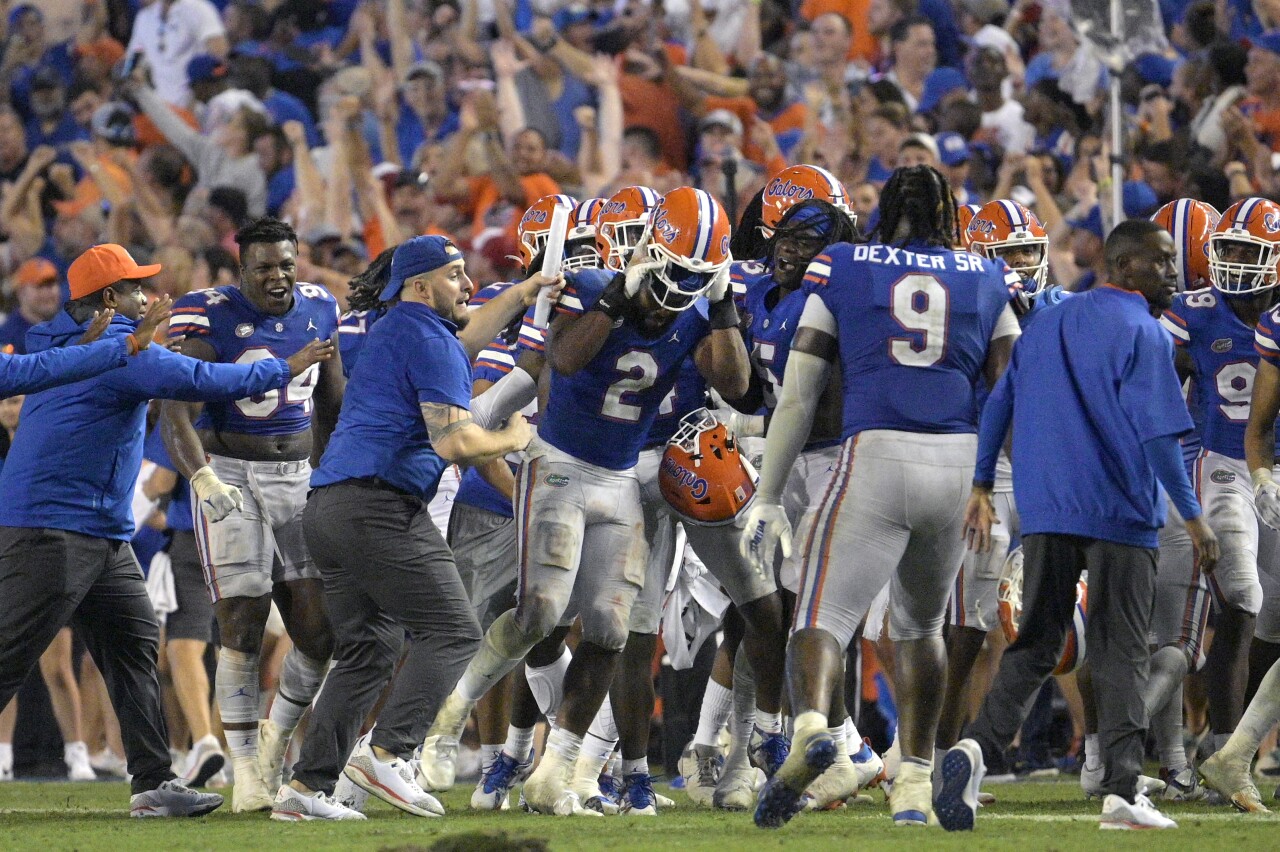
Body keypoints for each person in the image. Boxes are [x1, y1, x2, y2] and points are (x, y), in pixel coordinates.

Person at [424, 187, 750, 817]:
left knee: (608, 628)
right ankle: (450, 715)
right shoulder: (595, 281)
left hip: (620, 481)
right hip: (559, 469)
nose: (678, 290)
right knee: (541, 613)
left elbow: (734, 382)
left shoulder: (695, 312)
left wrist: (722, 302)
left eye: (696, 278)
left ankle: (557, 767)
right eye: (675, 274)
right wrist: (616, 295)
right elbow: (567, 359)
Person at [0, 243, 332, 818]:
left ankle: (153, 782)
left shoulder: (62, 340)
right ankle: (153, 778)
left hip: (97, 528)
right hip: (52, 526)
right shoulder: (126, 352)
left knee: (133, 648)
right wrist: (288, 365)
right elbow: (206, 377)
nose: (148, 296)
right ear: (109, 299)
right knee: (9, 651)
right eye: (135, 287)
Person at [741, 165, 1020, 831]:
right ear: (947, 213)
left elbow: (801, 393)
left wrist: (771, 495)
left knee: (821, 616)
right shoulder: (983, 273)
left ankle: (814, 727)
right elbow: (1013, 390)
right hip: (957, 461)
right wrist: (994, 487)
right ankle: (915, 788)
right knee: (920, 628)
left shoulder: (842, 263)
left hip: (873, 454)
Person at [270, 236, 551, 821]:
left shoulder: (399, 328)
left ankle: (305, 788)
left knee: (369, 650)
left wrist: (524, 292)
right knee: (453, 630)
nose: (468, 286)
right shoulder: (426, 337)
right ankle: (391, 753)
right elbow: (456, 442)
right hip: (378, 508)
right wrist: (514, 439)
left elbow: (467, 336)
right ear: (420, 287)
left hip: (330, 508)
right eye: (454, 275)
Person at [961, 219, 1220, 830]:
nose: (1171, 272)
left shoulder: (1047, 321)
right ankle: (1124, 792)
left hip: (1048, 508)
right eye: (1159, 261)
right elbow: (1159, 437)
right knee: (1122, 649)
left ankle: (974, 752)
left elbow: (999, 402)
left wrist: (979, 483)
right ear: (1124, 265)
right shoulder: (1143, 331)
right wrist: (1193, 516)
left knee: (1036, 644)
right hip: (1121, 510)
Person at [161, 217, 346, 813]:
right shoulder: (208, 314)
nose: (278, 275)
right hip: (231, 472)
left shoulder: (319, 307)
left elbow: (331, 402)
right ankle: (244, 769)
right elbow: (175, 410)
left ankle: (274, 742)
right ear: (242, 270)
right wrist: (202, 476)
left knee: (319, 633)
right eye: (264, 266)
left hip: (297, 476)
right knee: (241, 622)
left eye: (286, 264)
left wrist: (330, 476)